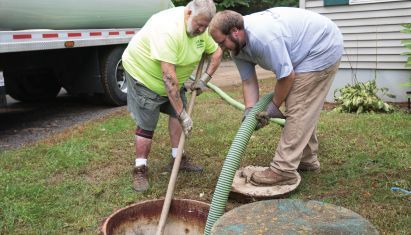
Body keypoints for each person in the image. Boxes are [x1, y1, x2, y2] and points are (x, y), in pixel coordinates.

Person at [208, 7, 343, 187]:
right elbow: (248, 81)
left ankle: (283, 170)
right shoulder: (237, 48)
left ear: (235, 32)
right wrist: (250, 111)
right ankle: (307, 159)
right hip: (305, 48)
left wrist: (272, 108)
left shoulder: (263, 38)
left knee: (298, 106)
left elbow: (286, 76)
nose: (221, 48)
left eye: (222, 42)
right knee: (302, 106)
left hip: (322, 46)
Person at [122, 0, 223, 192]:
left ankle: (178, 158)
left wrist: (204, 79)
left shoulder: (201, 28)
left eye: (205, 26)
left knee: (177, 114)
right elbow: (168, 78)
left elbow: (217, 53)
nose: (202, 30)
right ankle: (140, 168)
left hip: (174, 80)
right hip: (144, 76)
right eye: (199, 25)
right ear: (188, 14)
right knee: (147, 123)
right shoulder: (168, 29)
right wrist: (183, 114)